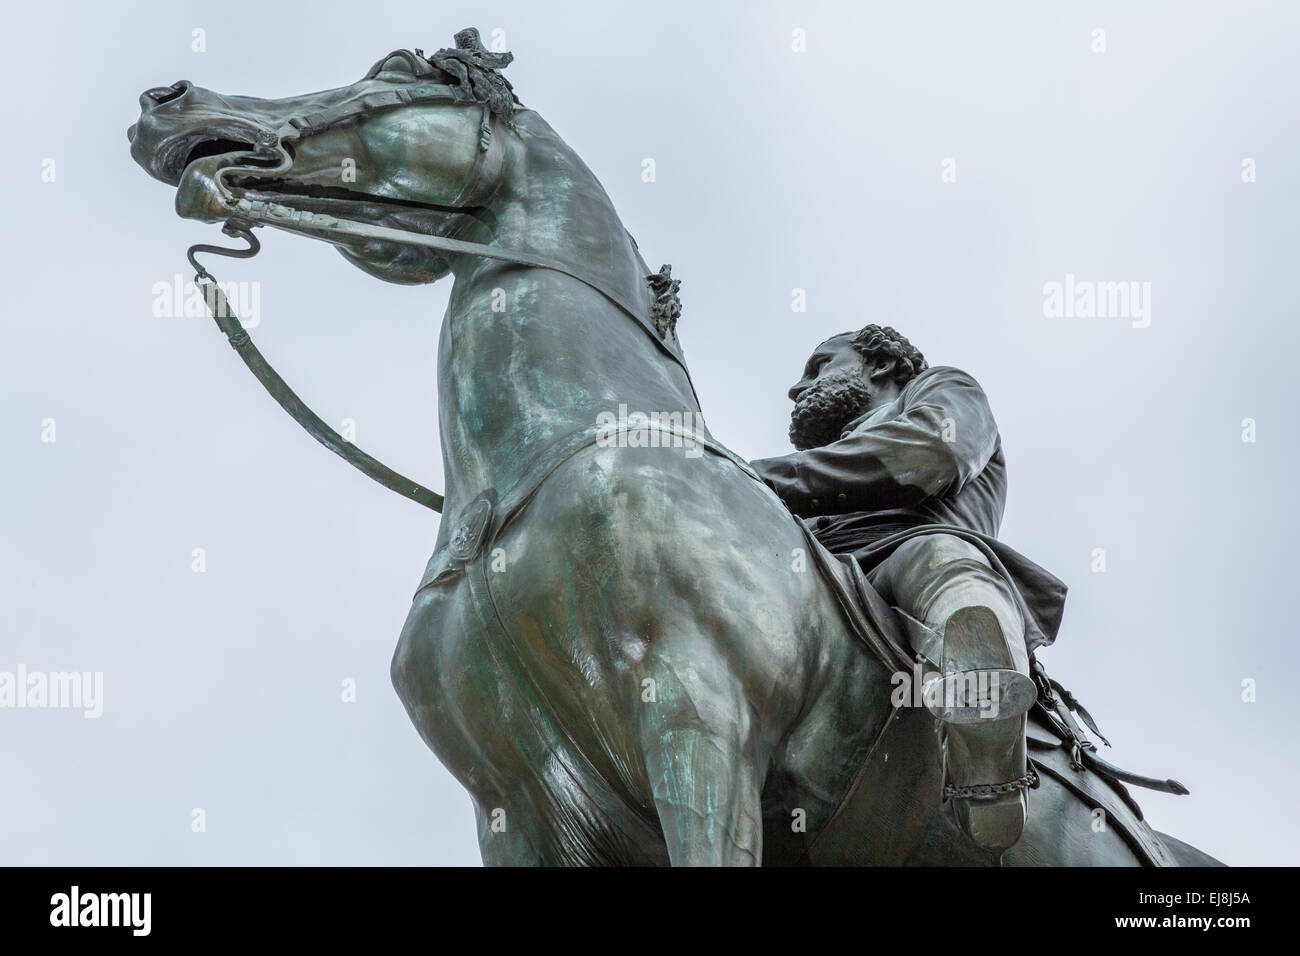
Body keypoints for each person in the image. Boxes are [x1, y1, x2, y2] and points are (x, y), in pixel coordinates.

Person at [751, 325, 1068, 850]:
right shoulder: (802, 479)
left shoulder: (943, 389)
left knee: (939, 558)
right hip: (815, 581)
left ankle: (983, 712)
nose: (797, 387)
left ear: (880, 365)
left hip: (900, 559)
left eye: (820, 365)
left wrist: (752, 478)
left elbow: (931, 453)